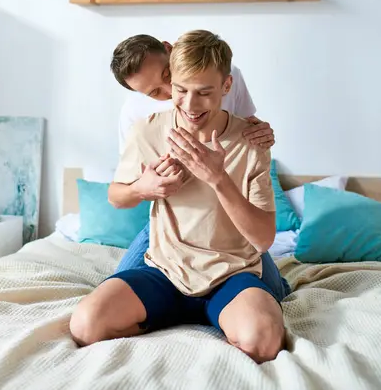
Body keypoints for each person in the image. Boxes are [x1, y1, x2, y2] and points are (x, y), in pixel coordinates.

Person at [70, 30, 290, 363]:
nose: (189, 103)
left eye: (204, 92)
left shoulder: (251, 140)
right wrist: (145, 186)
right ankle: (175, 312)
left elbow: (262, 240)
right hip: (165, 267)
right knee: (87, 324)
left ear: (225, 87)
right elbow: (118, 194)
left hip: (229, 270)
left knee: (263, 339)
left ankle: (243, 304)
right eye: (179, 91)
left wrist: (218, 177)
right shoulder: (143, 126)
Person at [112, 33, 276, 272]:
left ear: (170, 50)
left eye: (167, 76)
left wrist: (264, 132)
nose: (170, 92)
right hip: (171, 227)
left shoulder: (221, 73)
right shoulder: (135, 115)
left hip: (231, 226)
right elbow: (117, 193)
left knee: (264, 282)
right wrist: (141, 188)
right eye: (154, 93)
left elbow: (247, 126)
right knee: (120, 281)